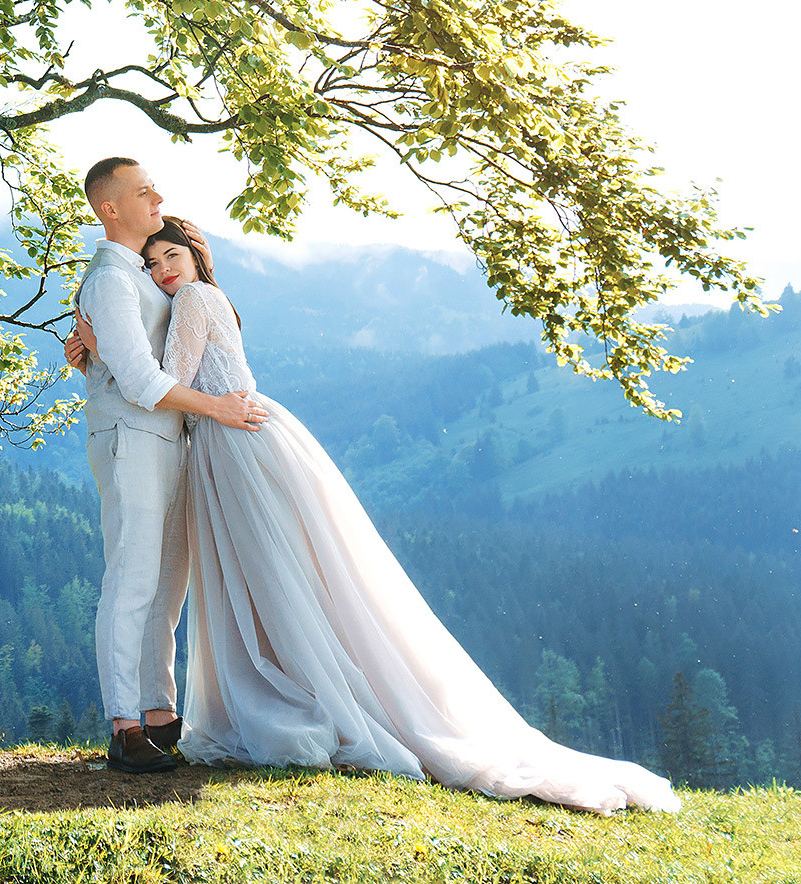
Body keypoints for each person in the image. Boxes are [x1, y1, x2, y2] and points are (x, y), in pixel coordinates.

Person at [71, 217, 681, 814]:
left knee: (271, 575)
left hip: (234, 443)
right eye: (152, 264)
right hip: (239, 439)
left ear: (196, 254)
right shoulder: (211, 298)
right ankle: (302, 687)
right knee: (282, 575)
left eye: (170, 256)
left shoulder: (194, 302)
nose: (162, 270)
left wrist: (106, 352)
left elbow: (164, 382)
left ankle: (302, 696)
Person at [67, 158, 266, 774]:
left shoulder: (144, 278)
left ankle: (159, 717)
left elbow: (135, 360)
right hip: (134, 440)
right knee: (131, 580)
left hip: (169, 438)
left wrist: (91, 359)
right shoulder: (110, 280)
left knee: (165, 587)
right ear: (111, 208)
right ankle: (125, 726)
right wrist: (218, 409)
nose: (158, 196)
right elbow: (141, 378)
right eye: (143, 190)